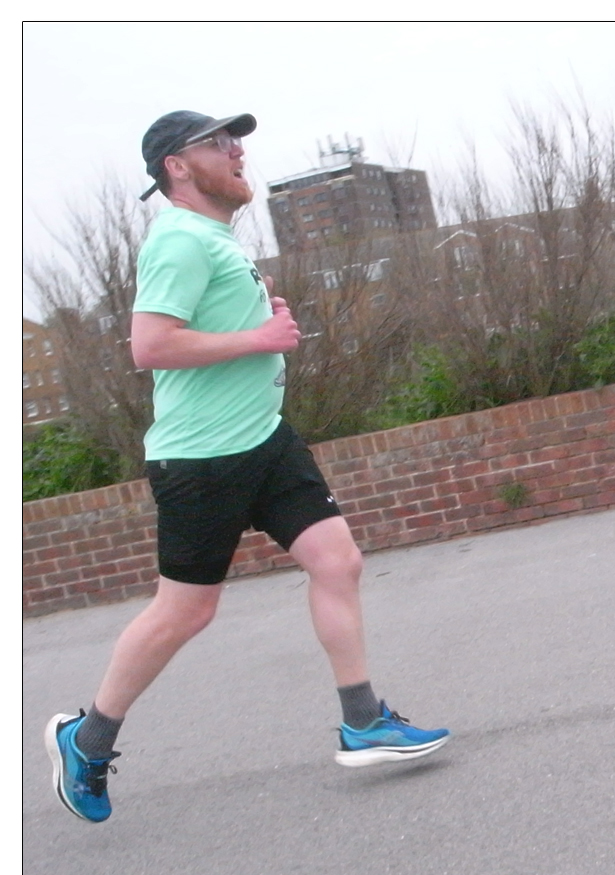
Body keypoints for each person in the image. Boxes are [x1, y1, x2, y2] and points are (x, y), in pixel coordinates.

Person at [45, 110, 450, 823]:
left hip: (264, 439)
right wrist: (258, 335)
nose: (238, 152)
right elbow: (150, 346)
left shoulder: (214, 239)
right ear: (177, 165)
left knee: (336, 561)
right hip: (203, 458)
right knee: (187, 610)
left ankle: (363, 722)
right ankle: (88, 737)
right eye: (219, 143)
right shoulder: (176, 239)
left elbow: (211, 331)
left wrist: (260, 328)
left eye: (237, 141)